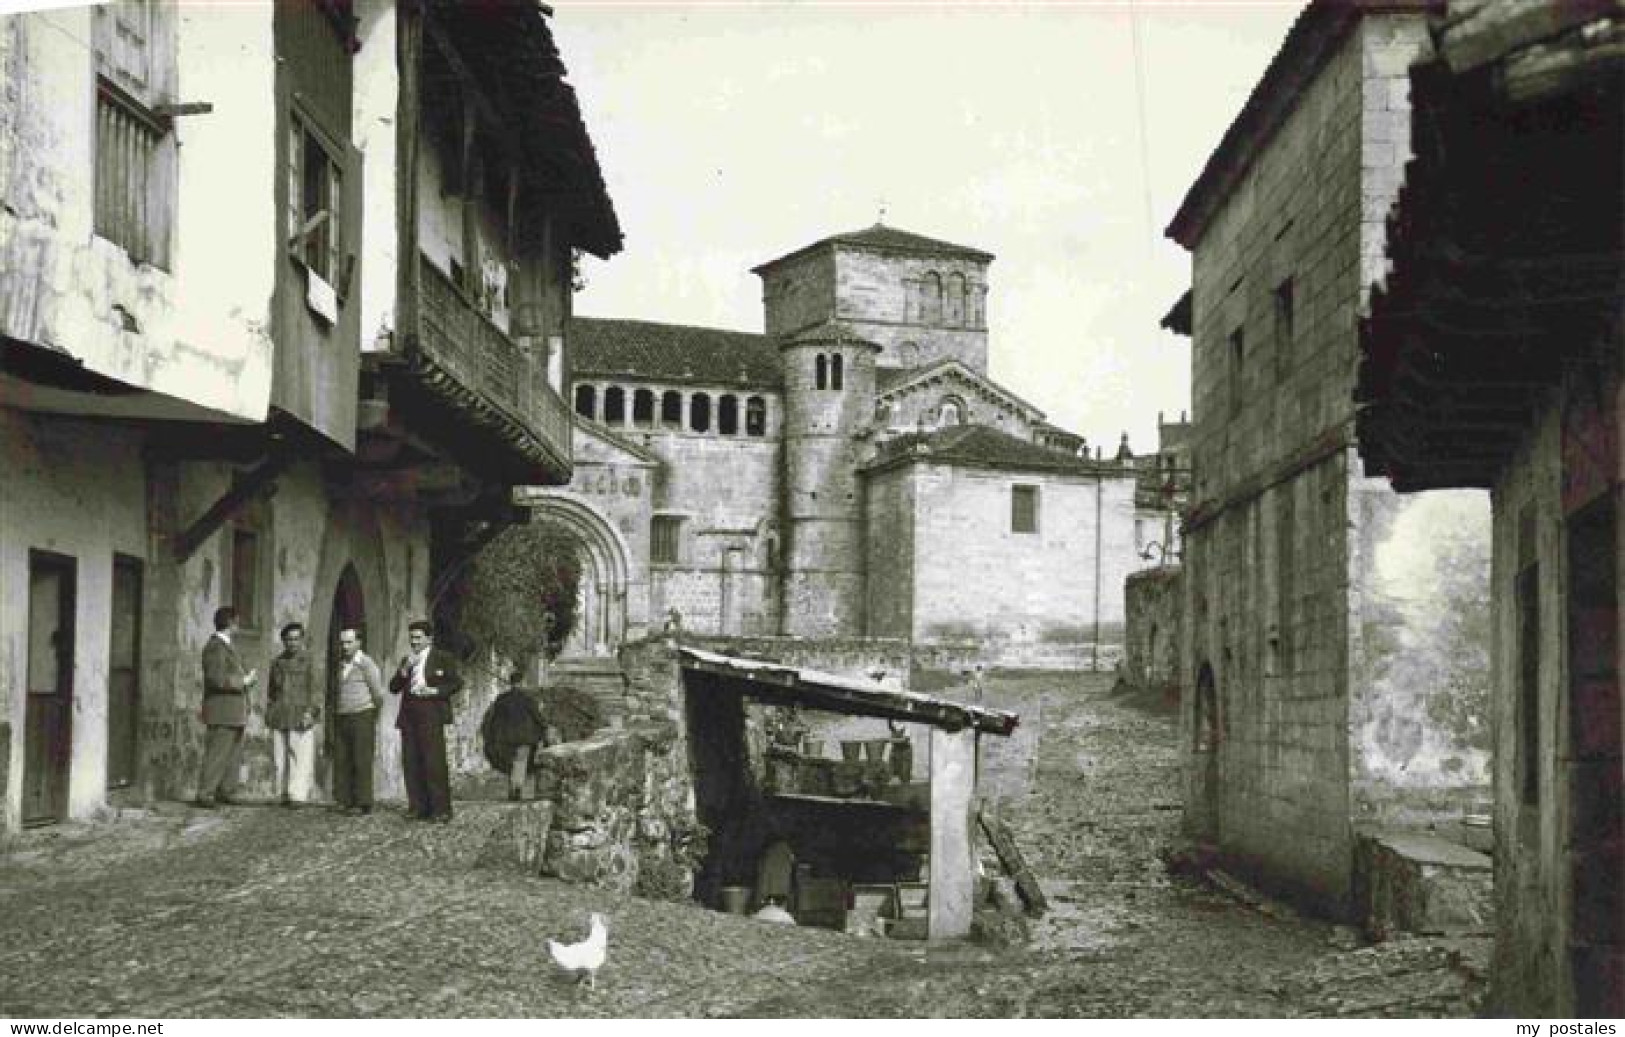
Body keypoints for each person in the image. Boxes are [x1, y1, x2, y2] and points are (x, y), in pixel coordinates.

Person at [388, 620, 462, 823]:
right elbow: (393, 688)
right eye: (412, 638)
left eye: (418, 638)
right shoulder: (407, 660)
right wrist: (403, 672)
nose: (414, 642)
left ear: (429, 638)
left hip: (431, 713)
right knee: (411, 763)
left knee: (433, 763)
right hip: (409, 716)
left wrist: (435, 691)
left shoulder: (442, 658)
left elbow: (456, 683)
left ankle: (441, 810)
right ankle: (417, 807)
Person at [197, 606, 256, 808]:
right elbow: (216, 679)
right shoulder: (215, 647)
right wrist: (244, 681)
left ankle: (225, 790)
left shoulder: (227, 646)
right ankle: (205, 793)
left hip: (232, 710)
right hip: (221, 709)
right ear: (231, 623)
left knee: (232, 754)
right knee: (218, 753)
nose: (238, 626)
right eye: (236, 622)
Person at [332, 626, 384, 816]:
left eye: (349, 642)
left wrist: (370, 711)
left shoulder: (367, 664)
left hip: (362, 714)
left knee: (361, 759)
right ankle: (345, 799)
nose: (345, 646)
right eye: (342, 642)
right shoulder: (341, 663)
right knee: (343, 758)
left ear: (359, 643)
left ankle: (363, 802)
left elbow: (378, 693)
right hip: (343, 715)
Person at [266, 622, 318, 807]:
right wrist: (271, 711)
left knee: (299, 756)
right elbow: (271, 691)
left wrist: (311, 712)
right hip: (280, 713)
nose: (293, 643)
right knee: (280, 757)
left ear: (301, 640)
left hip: (300, 713)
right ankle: (282, 792)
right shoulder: (277, 663)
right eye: (289, 639)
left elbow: (315, 689)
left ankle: (298, 795)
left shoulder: (309, 661)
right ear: (283, 641)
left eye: (296, 639)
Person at [480, 671, 550, 802]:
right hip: (523, 737)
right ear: (521, 682)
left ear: (511, 683)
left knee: (511, 764)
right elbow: (538, 718)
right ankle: (516, 788)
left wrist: (492, 736)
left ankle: (513, 787)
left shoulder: (501, 699)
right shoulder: (528, 699)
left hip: (505, 738)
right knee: (520, 763)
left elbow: (493, 719)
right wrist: (545, 728)